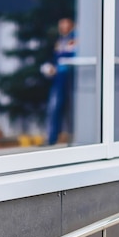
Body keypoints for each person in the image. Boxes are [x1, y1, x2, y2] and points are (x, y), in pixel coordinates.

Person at [42, 17, 76, 145]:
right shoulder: (60, 41)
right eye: (61, 26)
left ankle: (71, 137)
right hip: (59, 79)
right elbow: (55, 59)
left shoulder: (74, 40)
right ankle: (52, 137)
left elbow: (69, 57)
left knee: (69, 108)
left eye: (65, 26)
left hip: (70, 78)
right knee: (54, 107)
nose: (62, 28)